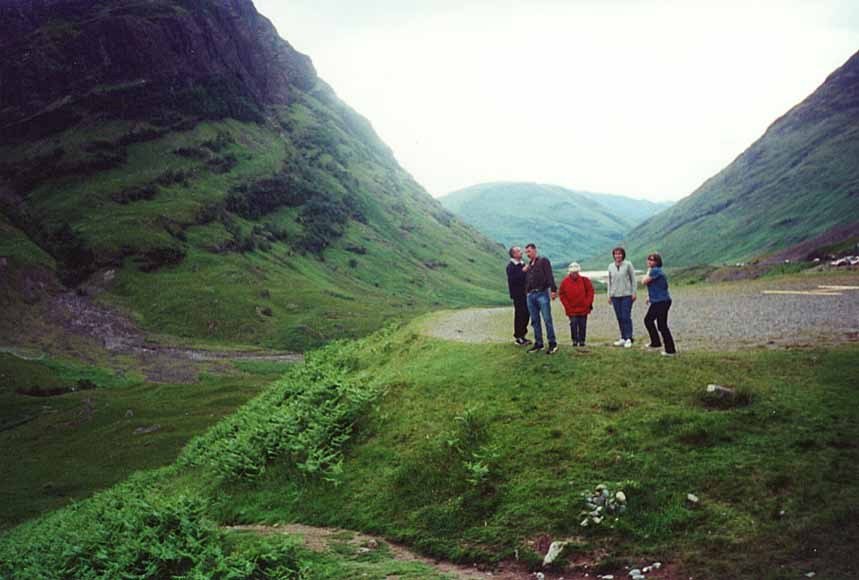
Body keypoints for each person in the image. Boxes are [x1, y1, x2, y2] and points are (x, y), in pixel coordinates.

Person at [523, 243, 558, 354]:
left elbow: (549, 275)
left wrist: (553, 290)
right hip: (531, 295)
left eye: (529, 251)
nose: (527, 254)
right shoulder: (529, 265)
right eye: (526, 252)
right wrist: (527, 292)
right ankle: (539, 343)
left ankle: (552, 343)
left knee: (547, 319)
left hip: (542, 293)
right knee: (534, 320)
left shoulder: (543, 261)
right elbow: (528, 279)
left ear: (535, 250)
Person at [642, 252, 677, 356]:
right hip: (659, 300)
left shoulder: (655, 271)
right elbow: (659, 286)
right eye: (649, 259)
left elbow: (644, 281)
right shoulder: (655, 271)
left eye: (652, 260)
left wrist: (648, 271)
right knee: (650, 321)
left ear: (657, 262)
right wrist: (650, 297)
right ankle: (656, 342)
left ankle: (670, 350)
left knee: (660, 325)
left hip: (661, 302)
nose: (650, 261)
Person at [558, 262, 594, 347]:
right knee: (573, 324)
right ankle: (574, 340)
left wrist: (588, 303)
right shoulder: (565, 282)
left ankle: (582, 341)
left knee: (583, 324)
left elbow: (590, 291)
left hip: (583, 308)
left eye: (576, 272)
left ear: (578, 272)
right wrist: (567, 306)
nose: (574, 274)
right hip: (571, 308)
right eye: (573, 272)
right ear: (570, 272)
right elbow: (562, 294)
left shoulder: (585, 280)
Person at [607, 247, 637, 348]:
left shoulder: (628, 264)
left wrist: (634, 292)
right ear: (613, 255)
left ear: (623, 255)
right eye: (616, 254)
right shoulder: (610, 266)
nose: (617, 256)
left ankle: (629, 338)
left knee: (626, 316)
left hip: (626, 295)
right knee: (619, 317)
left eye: (619, 254)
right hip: (615, 296)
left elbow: (633, 279)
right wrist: (609, 295)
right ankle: (623, 338)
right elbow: (609, 282)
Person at [506, 246, 531, 346]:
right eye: (519, 251)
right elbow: (513, 280)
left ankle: (523, 335)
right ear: (514, 254)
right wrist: (523, 271)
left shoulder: (522, 264)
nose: (521, 253)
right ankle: (518, 337)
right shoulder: (511, 266)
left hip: (525, 293)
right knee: (519, 314)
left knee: (526, 314)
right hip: (518, 295)